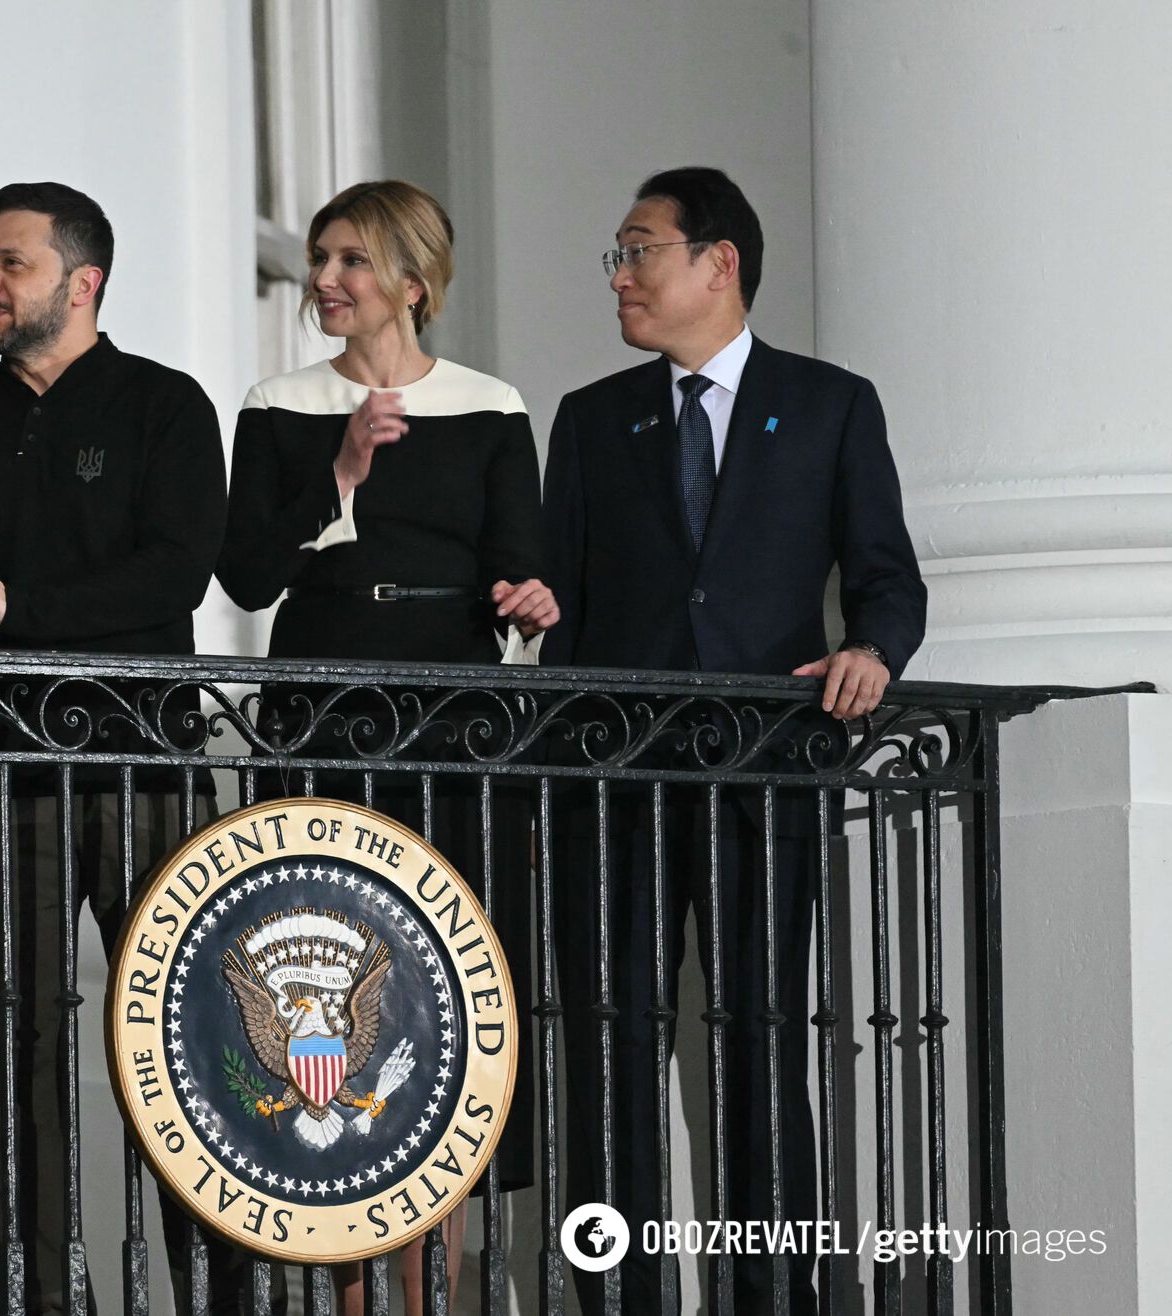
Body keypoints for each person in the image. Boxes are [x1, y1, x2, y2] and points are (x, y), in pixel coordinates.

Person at [540, 166, 926, 1313]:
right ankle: (612, 1295)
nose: (619, 274)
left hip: (765, 776)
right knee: (609, 1059)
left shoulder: (828, 403)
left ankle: (776, 1295)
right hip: (616, 790)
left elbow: (886, 576)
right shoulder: (588, 416)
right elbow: (561, 617)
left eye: (637, 249)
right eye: (614, 253)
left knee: (761, 1050)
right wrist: (550, 789)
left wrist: (873, 653)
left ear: (718, 263)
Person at [0, 182, 240, 1316]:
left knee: (181, 1040)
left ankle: (215, 1291)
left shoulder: (164, 406)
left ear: (81, 282)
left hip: (146, 766)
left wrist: (8, 606)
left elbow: (174, 572)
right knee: (3, 1043)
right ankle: (44, 1296)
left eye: (10, 266)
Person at [215, 179, 554, 1316]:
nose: (325, 279)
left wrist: (531, 595)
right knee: (319, 993)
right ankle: (344, 1284)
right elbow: (246, 575)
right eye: (319, 257)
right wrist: (341, 473)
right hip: (317, 719)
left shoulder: (493, 404)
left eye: (351, 260)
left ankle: (430, 1283)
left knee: (437, 1002)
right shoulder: (276, 401)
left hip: (452, 729)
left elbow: (518, 567)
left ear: (412, 282)